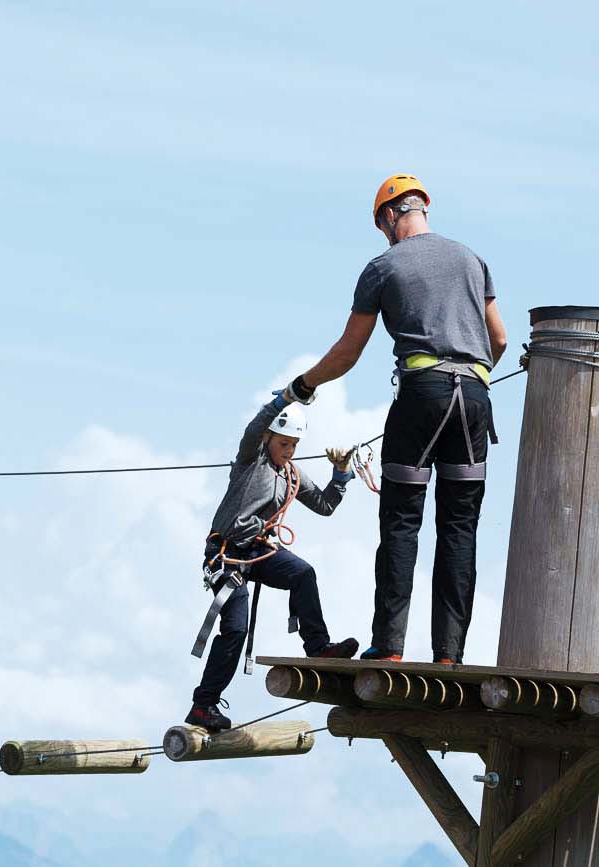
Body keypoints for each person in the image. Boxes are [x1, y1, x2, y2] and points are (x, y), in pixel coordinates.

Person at [277, 174, 508, 665]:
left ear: (387, 217)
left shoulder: (383, 267)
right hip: (474, 396)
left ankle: (390, 649)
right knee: (460, 528)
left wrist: (303, 385)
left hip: (421, 395)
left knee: (402, 522)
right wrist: (469, 378)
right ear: (421, 208)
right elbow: (500, 340)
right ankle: (449, 655)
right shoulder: (472, 259)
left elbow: (347, 352)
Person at [186, 398, 359, 733]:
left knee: (303, 573)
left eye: (294, 445)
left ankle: (318, 647)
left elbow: (324, 505)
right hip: (227, 554)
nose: (289, 450)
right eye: (284, 443)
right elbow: (254, 427)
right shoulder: (252, 459)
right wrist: (287, 397)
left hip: (259, 552)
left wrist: (340, 477)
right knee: (235, 628)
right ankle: (203, 705)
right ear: (268, 438)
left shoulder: (292, 474)